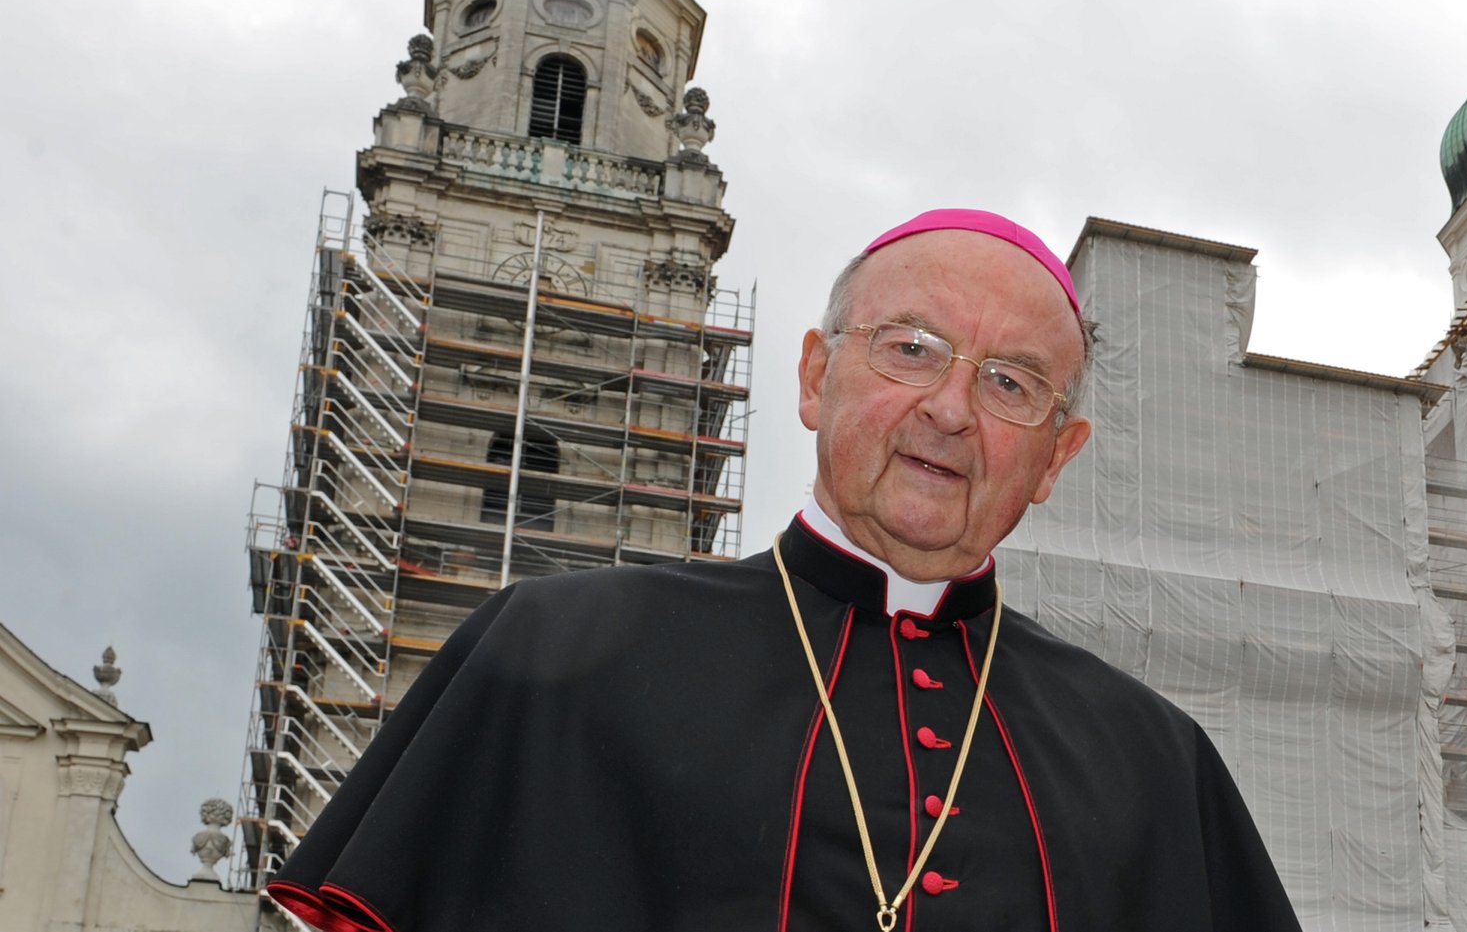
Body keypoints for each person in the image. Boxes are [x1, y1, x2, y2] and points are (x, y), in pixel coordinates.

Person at [268, 209, 1302, 931]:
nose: (949, 408)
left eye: (1008, 382)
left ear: (1053, 459)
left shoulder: (1156, 760)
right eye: (910, 349)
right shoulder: (552, 653)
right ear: (815, 376)